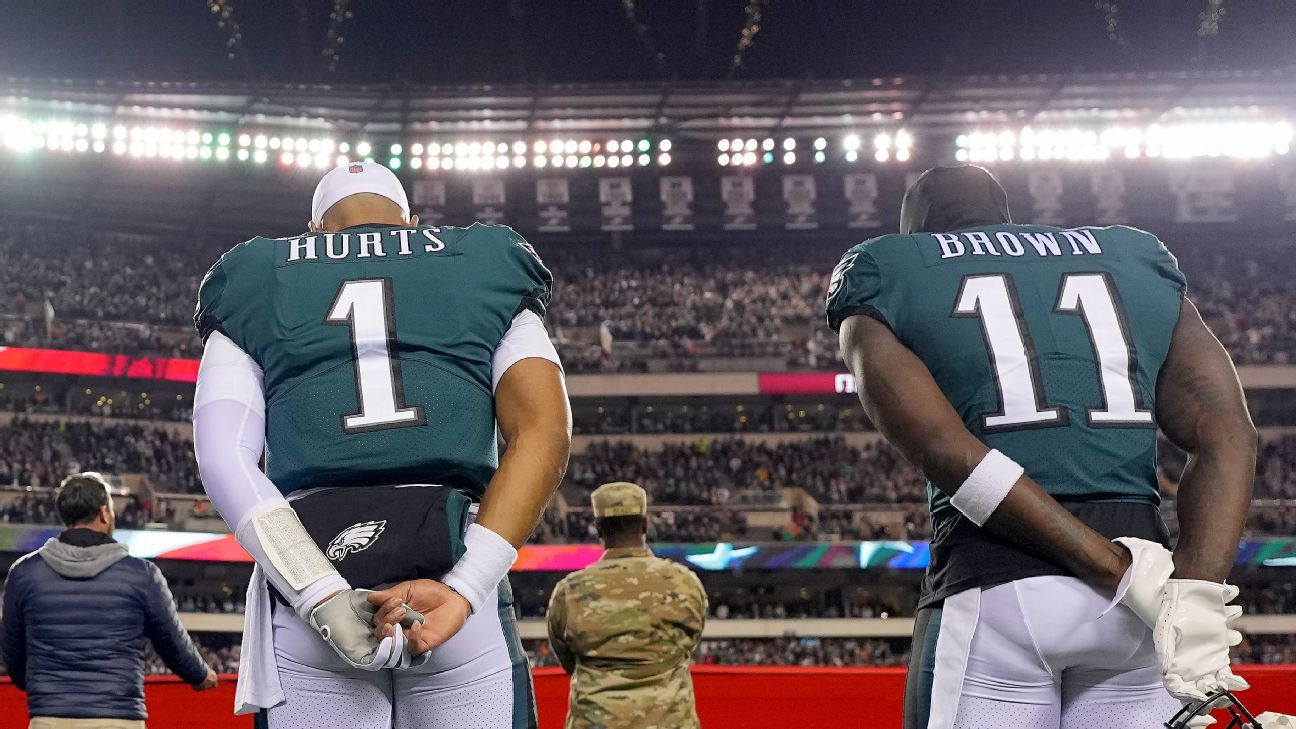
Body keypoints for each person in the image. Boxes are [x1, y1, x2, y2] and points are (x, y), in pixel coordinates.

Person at [826, 165, 1254, 729]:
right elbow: (1226, 431)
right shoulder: (1132, 255)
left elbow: (944, 449)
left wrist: (1115, 569)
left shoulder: (889, 267)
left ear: (919, 229)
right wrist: (1192, 591)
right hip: (1143, 600)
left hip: (999, 583)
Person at [192, 161, 571, 728]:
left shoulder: (256, 276)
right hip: (456, 554)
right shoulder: (481, 261)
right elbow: (545, 430)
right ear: (413, 223)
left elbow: (221, 452)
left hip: (311, 566)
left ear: (315, 229)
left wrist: (318, 595)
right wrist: (466, 589)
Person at [2, 473, 217, 729]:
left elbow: (13, 653)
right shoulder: (141, 575)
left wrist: (42, 684)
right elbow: (171, 640)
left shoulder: (24, 572)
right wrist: (200, 675)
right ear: (104, 513)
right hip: (118, 716)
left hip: (49, 716)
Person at [546, 481, 707, 729]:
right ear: (645, 524)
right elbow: (691, 640)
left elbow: (567, 658)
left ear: (599, 529)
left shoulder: (571, 591)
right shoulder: (683, 582)